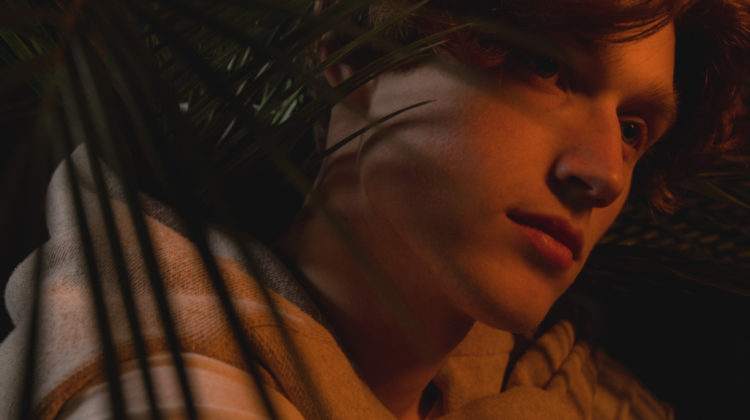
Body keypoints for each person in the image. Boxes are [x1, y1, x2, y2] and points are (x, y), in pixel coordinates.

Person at [1, 0, 748, 419]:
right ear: (355, 59)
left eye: (633, 129)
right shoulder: (165, 391)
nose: (605, 174)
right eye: (545, 67)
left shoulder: (563, 390)